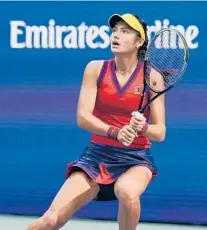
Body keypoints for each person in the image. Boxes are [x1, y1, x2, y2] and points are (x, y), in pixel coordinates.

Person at [27, 13, 166, 230]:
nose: (116, 36)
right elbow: (83, 118)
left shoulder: (152, 76)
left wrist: (144, 127)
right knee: (50, 220)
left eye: (125, 31)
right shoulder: (95, 69)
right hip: (96, 156)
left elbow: (160, 132)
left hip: (135, 159)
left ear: (139, 41)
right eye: (114, 31)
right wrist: (115, 132)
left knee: (127, 191)